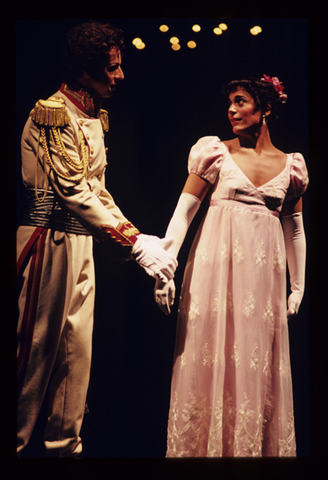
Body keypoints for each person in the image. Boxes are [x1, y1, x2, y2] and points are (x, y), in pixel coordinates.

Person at [16, 21, 177, 457]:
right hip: (48, 242)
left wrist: (138, 237)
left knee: (76, 357)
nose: (119, 76)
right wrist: (133, 245)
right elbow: (71, 191)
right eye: (112, 68)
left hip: (81, 243)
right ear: (86, 70)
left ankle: (65, 449)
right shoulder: (49, 111)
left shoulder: (88, 116)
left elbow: (98, 190)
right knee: (34, 356)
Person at [154, 75, 308, 456]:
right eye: (230, 103)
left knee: (255, 362)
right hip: (215, 272)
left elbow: (295, 231)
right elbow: (183, 213)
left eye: (241, 102)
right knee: (210, 351)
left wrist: (298, 285)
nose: (232, 109)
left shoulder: (291, 166)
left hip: (262, 280)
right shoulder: (215, 152)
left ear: (266, 108)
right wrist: (165, 264)